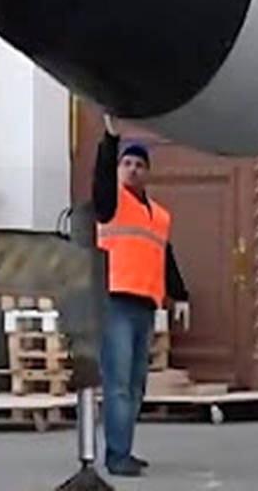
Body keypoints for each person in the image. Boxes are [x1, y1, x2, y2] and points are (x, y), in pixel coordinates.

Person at [94, 116, 190, 477]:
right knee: (118, 384)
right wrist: (110, 139)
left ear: (147, 172)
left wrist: (180, 295)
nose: (133, 169)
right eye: (127, 163)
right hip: (115, 300)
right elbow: (101, 176)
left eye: (139, 164)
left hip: (145, 304)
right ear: (119, 169)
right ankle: (117, 456)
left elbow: (165, 256)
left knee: (135, 385)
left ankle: (125, 448)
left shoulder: (158, 215)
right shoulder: (111, 202)